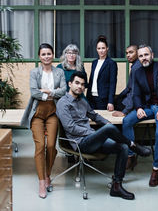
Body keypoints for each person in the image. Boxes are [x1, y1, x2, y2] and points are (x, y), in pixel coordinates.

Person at [56, 71, 151, 200]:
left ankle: (117, 186)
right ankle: (133, 146)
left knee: (122, 147)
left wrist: (108, 125)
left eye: (83, 85)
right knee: (109, 130)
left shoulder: (82, 101)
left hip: (92, 139)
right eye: (77, 83)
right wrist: (98, 132)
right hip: (80, 143)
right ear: (70, 84)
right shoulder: (63, 103)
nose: (80, 87)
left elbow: (94, 116)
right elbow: (70, 127)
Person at [122, 44, 158, 187]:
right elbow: (136, 94)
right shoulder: (137, 73)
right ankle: (131, 155)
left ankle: (156, 169)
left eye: (146, 55)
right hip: (149, 108)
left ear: (152, 55)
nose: (143, 58)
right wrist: (138, 107)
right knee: (127, 121)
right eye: (141, 56)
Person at [21, 43, 66, 199]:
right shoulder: (34, 72)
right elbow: (34, 92)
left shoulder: (59, 72)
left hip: (53, 112)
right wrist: (51, 94)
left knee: (52, 145)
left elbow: (64, 90)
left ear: (52, 55)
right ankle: (41, 181)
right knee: (40, 146)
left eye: (49, 53)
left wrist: (47, 91)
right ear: (39, 56)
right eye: (43, 54)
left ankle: (47, 174)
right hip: (37, 114)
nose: (46, 56)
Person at [113, 44, 142, 170]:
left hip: (140, 103)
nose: (128, 55)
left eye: (131, 52)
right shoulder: (134, 67)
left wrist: (124, 111)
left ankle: (130, 155)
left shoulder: (137, 68)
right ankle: (121, 149)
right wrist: (116, 99)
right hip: (132, 99)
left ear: (137, 53)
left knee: (125, 122)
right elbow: (129, 88)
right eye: (126, 53)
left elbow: (135, 92)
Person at [87, 35, 117, 111]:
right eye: (99, 48)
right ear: (96, 49)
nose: (101, 50)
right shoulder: (94, 62)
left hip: (103, 99)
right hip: (91, 98)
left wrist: (110, 101)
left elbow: (112, 83)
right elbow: (91, 80)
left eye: (103, 48)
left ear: (107, 48)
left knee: (102, 121)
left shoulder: (111, 63)